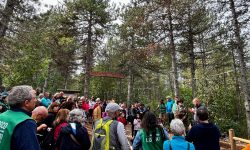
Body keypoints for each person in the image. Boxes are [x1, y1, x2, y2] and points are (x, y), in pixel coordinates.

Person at [0, 85, 40, 150]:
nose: (36, 100)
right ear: (26, 103)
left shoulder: (2, 116)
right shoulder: (26, 123)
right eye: (34, 98)